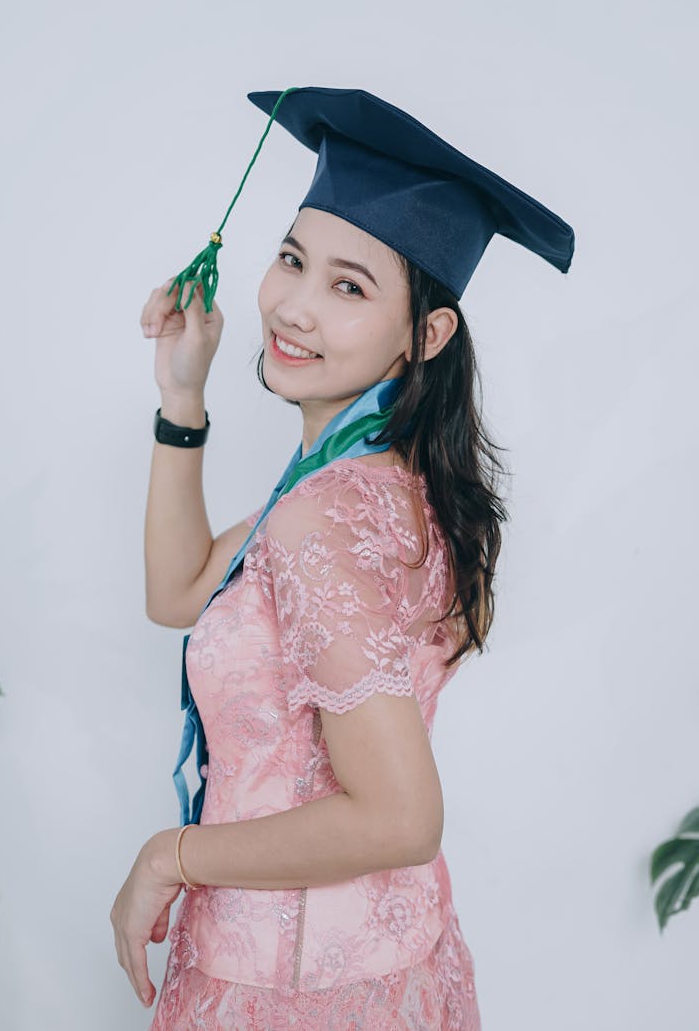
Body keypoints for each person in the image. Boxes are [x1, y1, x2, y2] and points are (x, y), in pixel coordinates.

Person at [109, 86, 575, 1029]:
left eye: (349, 286)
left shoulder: (322, 516)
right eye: (291, 259)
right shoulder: (376, 483)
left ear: (427, 334)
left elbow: (401, 816)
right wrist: (183, 395)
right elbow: (180, 591)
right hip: (391, 963)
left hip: (293, 993)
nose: (295, 306)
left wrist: (169, 854)